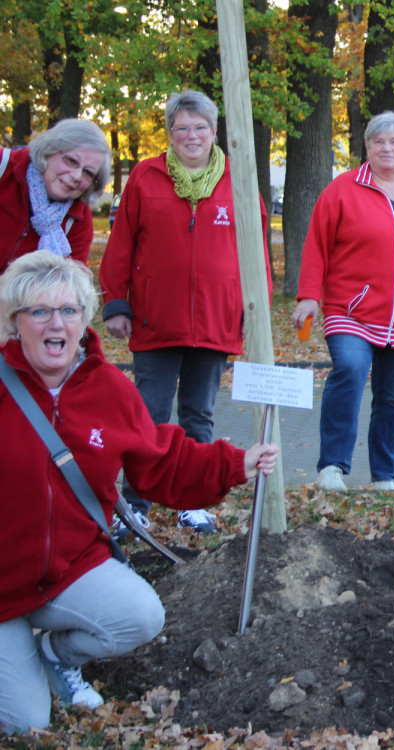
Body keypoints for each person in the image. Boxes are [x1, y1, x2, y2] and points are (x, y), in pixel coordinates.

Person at [0, 251, 279, 733]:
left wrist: (234, 463)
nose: (56, 324)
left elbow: (161, 460)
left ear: (84, 319)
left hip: (70, 568)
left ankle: (53, 652)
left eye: (69, 311)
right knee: (25, 724)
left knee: (141, 616)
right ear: (14, 322)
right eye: (39, 311)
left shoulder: (107, 388)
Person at [99, 90, 271, 535]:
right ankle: (136, 504)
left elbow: (257, 252)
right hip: (156, 319)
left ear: (214, 132)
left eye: (200, 127)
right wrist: (116, 302)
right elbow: (121, 245)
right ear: (170, 134)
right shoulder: (144, 176)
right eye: (182, 128)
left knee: (198, 415)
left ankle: (192, 502)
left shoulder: (238, 180)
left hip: (216, 319)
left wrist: (258, 307)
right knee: (148, 415)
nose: (191, 135)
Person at [292, 111, 394, 493]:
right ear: (367, 147)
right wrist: (309, 296)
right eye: (378, 141)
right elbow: (316, 244)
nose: (387, 148)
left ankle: (384, 476)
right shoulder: (342, 190)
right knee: (349, 370)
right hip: (351, 311)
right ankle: (332, 466)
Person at [0, 118, 111, 270]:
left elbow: (71, 285)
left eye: (88, 172)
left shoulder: (78, 220)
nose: (76, 176)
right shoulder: (3, 168)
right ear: (48, 151)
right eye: (71, 160)